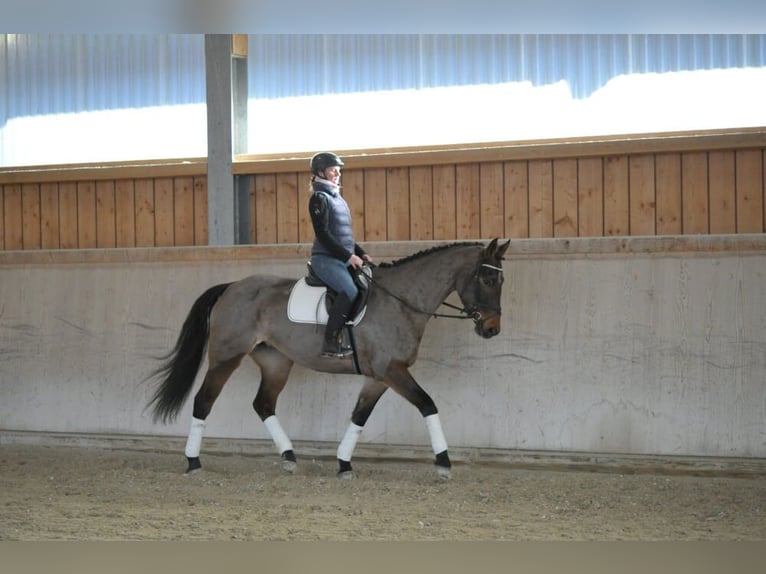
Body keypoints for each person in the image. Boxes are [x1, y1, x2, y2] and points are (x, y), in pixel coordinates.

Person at [308, 152, 372, 358]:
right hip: (325, 259)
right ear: (320, 172)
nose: (337, 174)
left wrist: (361, 253)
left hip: (342, 257)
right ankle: (331, 341)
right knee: (350, 291)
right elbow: (324, 235)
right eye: (333, 170)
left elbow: (344, 236)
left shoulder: (339, 199)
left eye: (338, 170)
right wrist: (348, 257)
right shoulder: (319, 198)